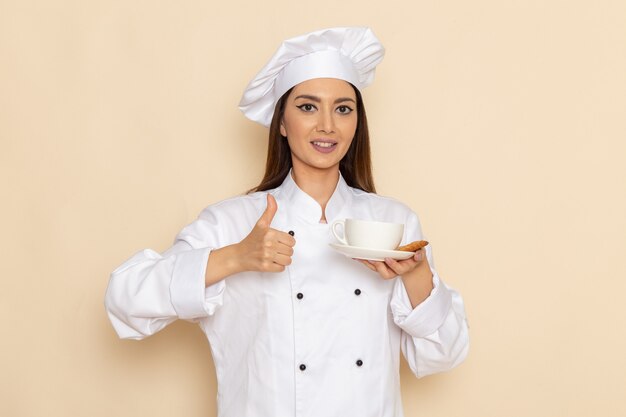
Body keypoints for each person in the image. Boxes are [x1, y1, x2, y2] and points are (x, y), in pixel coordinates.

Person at [105, 27, 469, 417]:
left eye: (343, 108)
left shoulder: (391, 221)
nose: (327, 125)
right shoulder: (234, 221)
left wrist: (415, 277)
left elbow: (445, 354)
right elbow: (125, 302)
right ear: (281, 122)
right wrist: (235, 257)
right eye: (308, 107)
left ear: (357, 122)